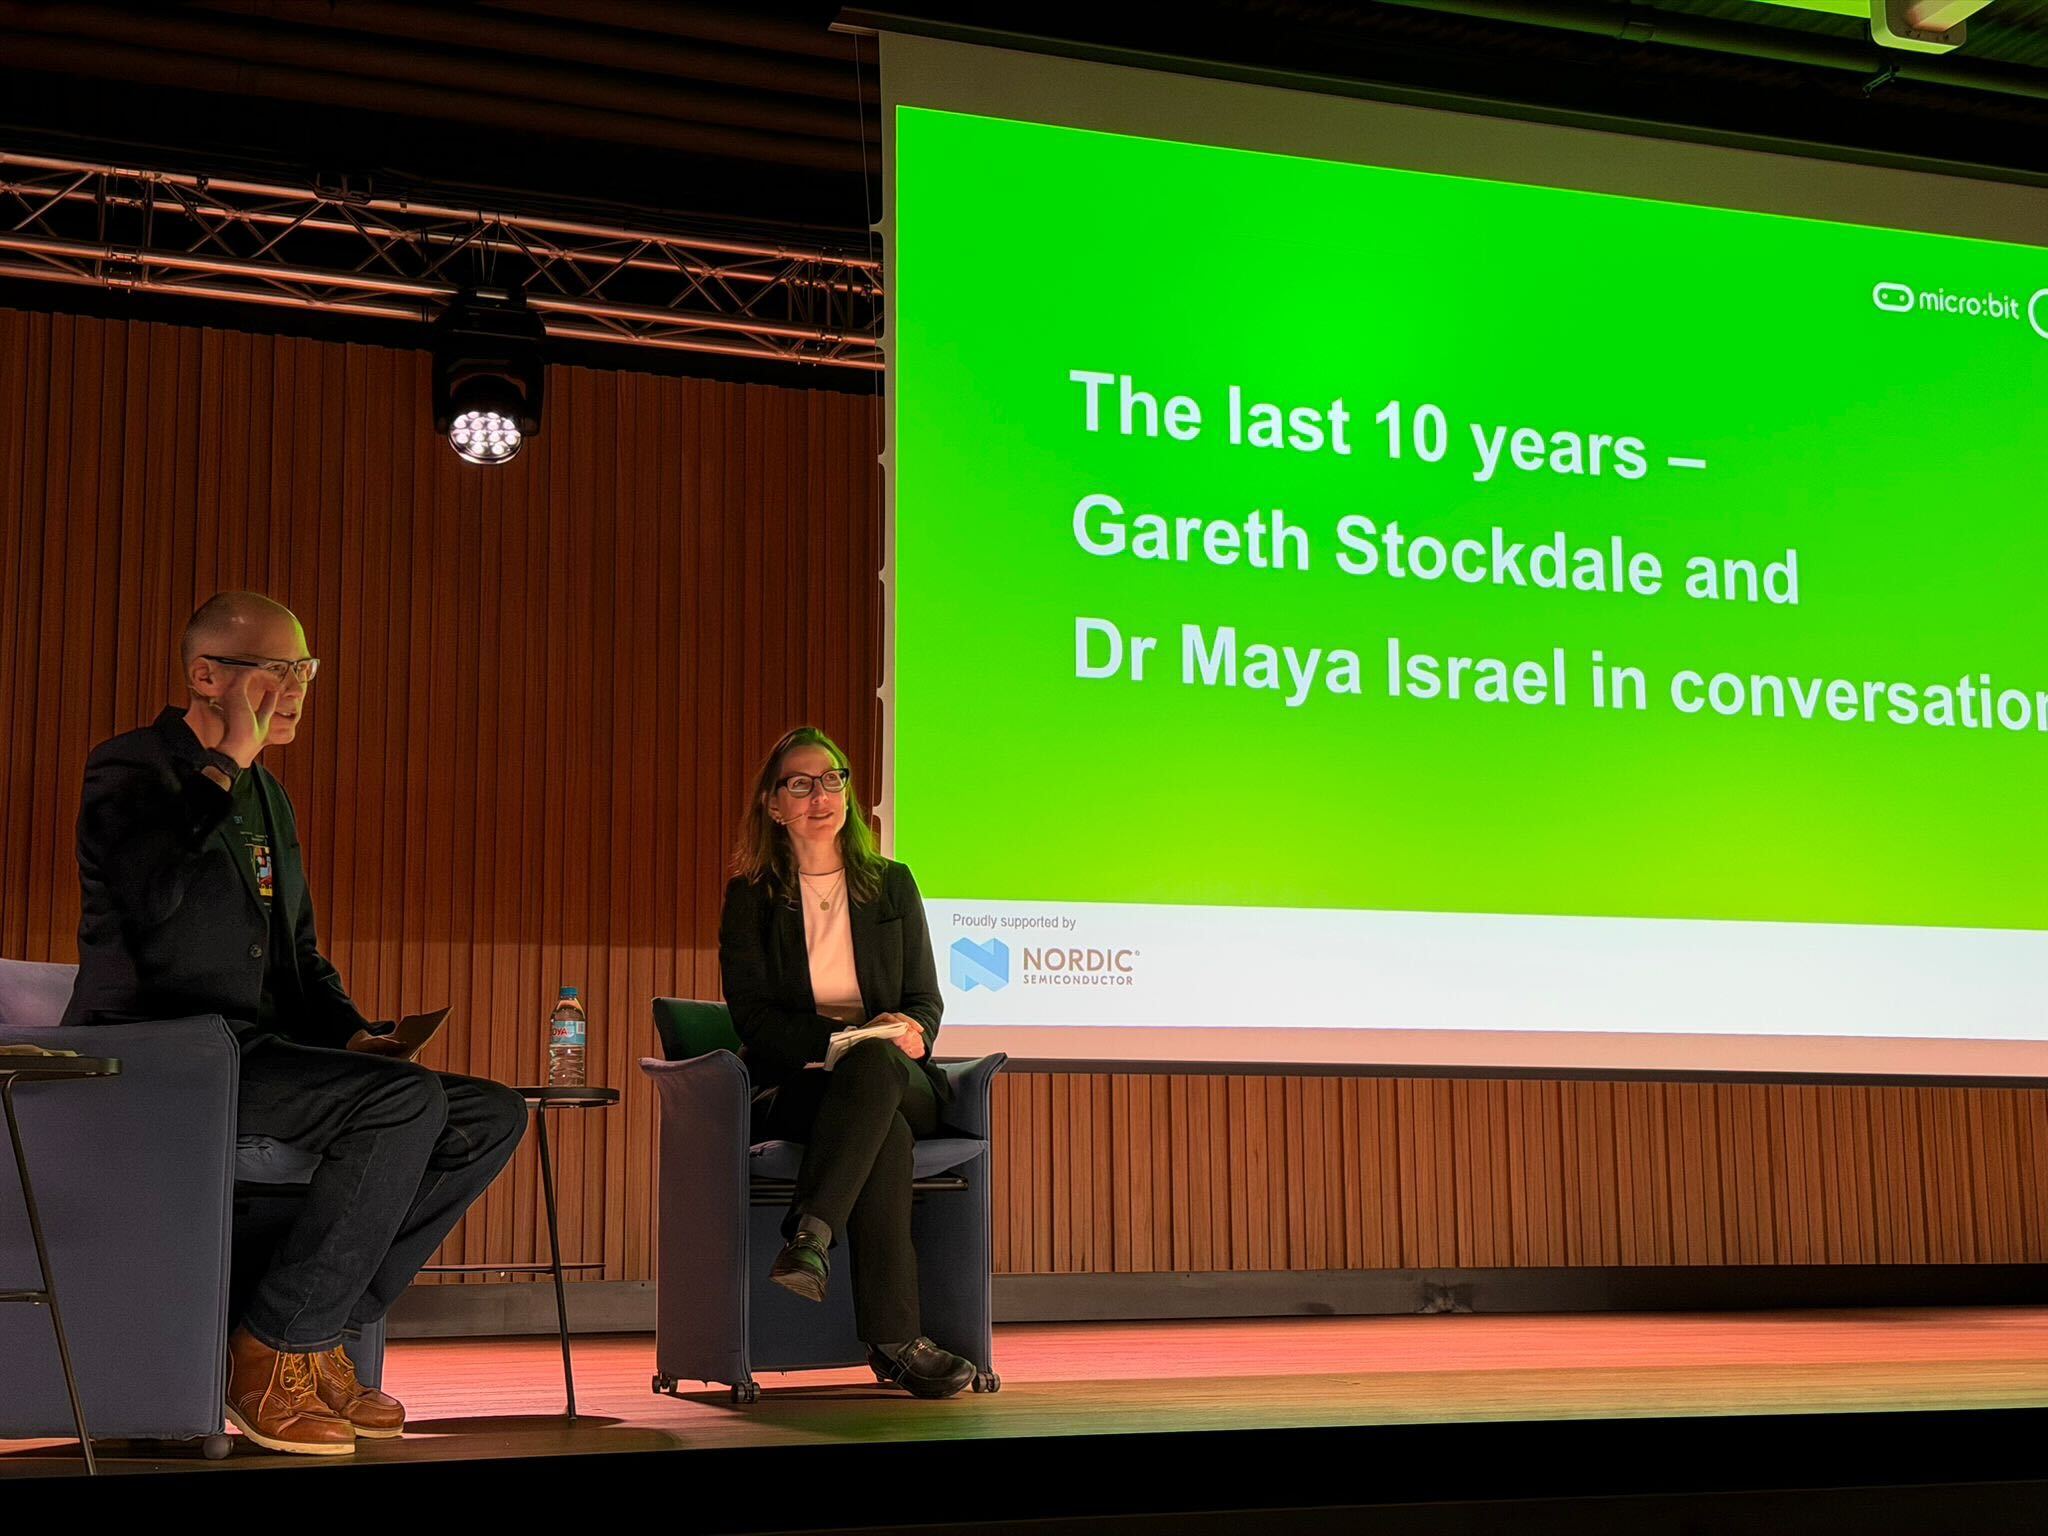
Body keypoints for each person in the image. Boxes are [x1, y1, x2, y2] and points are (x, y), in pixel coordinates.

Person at [62, 592, 527, 1456]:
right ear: (207, 676)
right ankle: (273, 1348)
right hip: (156, 1055)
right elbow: (151, 899)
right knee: (401, 1106)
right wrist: (225, 765)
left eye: (306, 671)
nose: (300, 689)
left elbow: (299, 957)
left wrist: (355, 1036)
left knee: (487, 1113)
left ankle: (320, 1335)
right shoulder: (130, 768)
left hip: (254, 1053)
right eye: (279, 671)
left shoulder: (268, 798)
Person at [718, 726, 978, 1399]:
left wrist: (912, 1031)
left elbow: (925, 1000)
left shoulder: (891, 886)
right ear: (774, 805)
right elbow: (751, 1017)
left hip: (897, 1076)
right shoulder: (751, 898)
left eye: (832, 778)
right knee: (878, 1125)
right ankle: (897, 1343)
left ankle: (811, 1232)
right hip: (803, 1085)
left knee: (876, 1068)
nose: (820, 795)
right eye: (799, 783)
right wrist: (827, 1044)